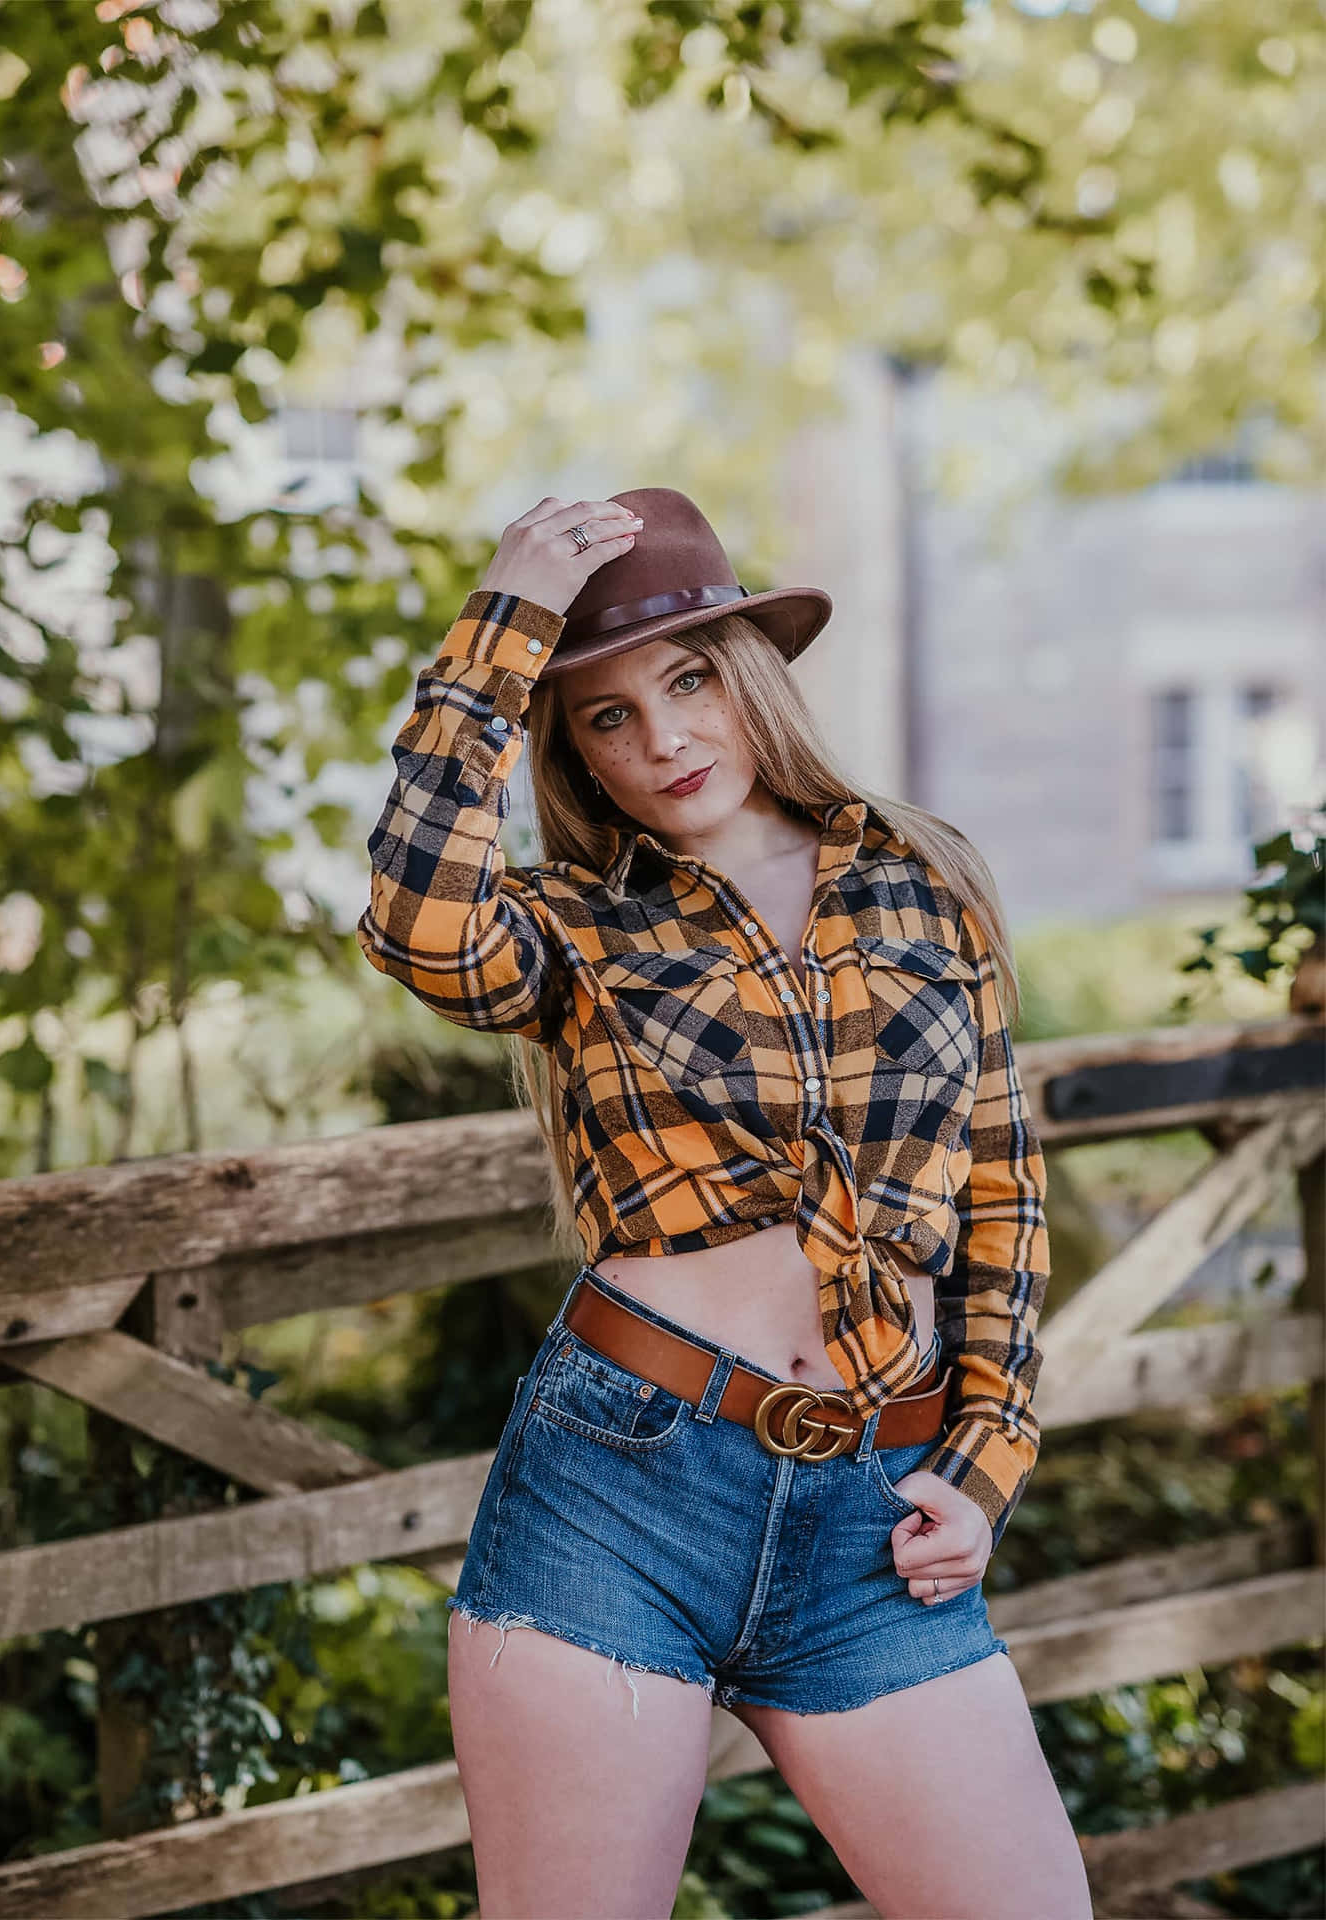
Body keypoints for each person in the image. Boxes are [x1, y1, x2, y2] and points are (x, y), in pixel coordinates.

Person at [358, 488, 1091, 1920]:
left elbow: (1001, 1193)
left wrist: (987, 1460)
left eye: (686, 681)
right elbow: (415, 919)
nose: (663, 740)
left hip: (874, 1515)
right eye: (604, 717)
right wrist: (499, 630)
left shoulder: (927, 883)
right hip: (619, 1493)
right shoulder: (575, 925)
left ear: (748, 671)